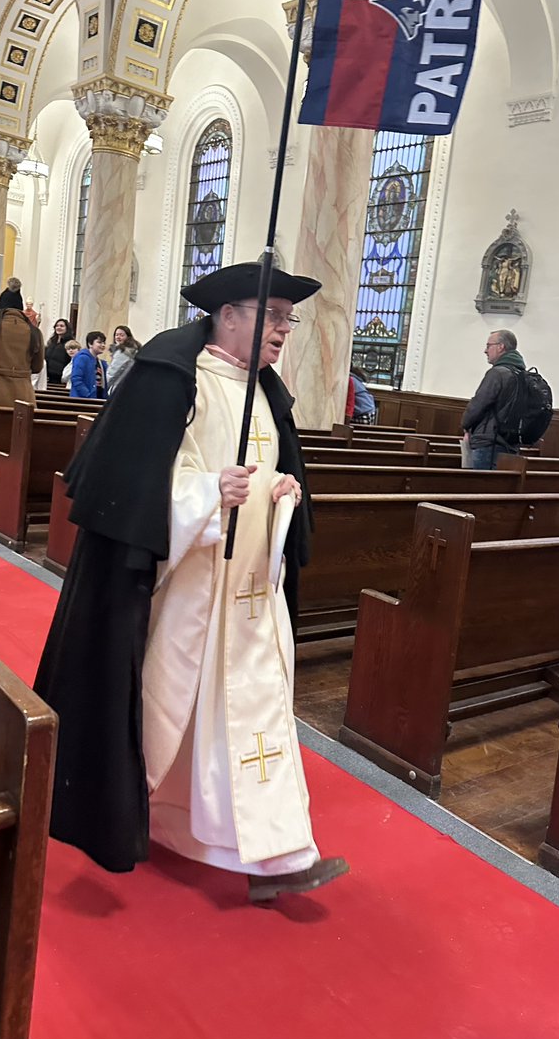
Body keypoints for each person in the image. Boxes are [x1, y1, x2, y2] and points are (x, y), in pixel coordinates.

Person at [34, 261, 348, 903]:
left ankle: (276, 852)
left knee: (254, 718)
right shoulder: (181, 382)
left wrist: (280, 492)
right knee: (172, 712)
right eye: (274, 316)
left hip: (253, 593)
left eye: (290, 319)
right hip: (194, 589)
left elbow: (267, 473)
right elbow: (147, 485)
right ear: (227, 315)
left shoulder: (264, 392)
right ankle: (139, 814)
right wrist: (207, 493)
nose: (284, 330)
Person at [461, 329, 526, 469]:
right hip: (511, 444)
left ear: (501, 346)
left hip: (489, 444)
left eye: (488, 345)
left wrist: (465, 425)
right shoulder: (522, 375)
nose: (485, 350)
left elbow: (478, 405)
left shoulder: (497, 373)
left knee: (481, 488)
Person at [71, 331, 108, 399]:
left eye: (104, 343)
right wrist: (87, 394)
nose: (103, 345)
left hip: (97, 397)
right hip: (83, 399)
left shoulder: (100, 362)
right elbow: (76, 379)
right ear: (90, 344)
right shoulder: (82, 358)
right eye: (99, 342)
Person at [107, 324, 141, 395]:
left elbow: (112, 373)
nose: (118, 337)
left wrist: (106, 387)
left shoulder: (122, 352)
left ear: (128, 337)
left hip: (119, 388)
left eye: (121, 335)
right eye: (116, 335)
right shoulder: (135, 351)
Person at [45, 318, 75, 385]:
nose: (58, 327)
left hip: (60, 379)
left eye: (61, 326)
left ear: (67, 328)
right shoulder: (51, 342)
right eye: (57, 326)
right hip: (47, 377)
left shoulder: (70, 343)